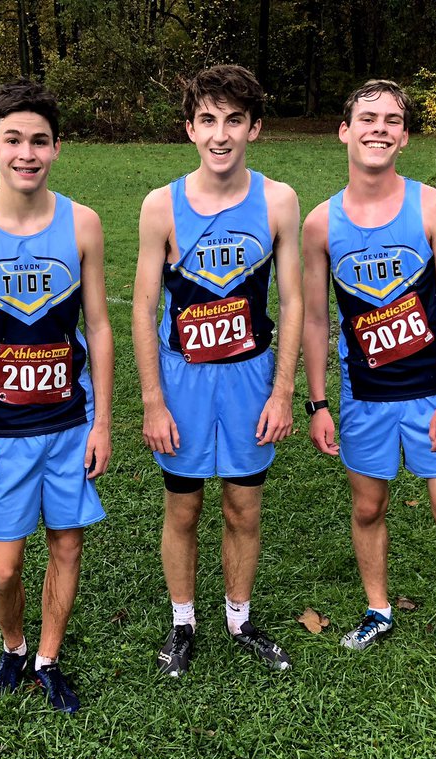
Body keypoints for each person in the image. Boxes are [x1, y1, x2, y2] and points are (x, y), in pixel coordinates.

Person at [301, 79, 436, 692]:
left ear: (405, 137)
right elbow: (313, 318)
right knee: (368, 506)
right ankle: (378, 609)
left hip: (431, 397)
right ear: (345, 130)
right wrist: (317, 402)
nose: (378, 128)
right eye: (367, 117)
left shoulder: (433, 207)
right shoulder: (319, 224)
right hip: (364, 401)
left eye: (392, 120)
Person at [0, 80, 114, 714]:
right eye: (13, 139)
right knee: (5, 567)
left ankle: (47, 657)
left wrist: (102, 424)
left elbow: (98, 325)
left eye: (39, 140)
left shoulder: (83, 223)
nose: (27, 153)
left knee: (67, 545)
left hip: (70, 424)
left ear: (57, 148)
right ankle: (12, 646)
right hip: (2, 430)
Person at [131, 64, 303, 678]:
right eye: (208, 120)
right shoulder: (161, 206)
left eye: (234, 120)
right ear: (190, 129)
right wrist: (153, 400)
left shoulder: (279, 200)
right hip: (183, 382)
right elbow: (145, 304)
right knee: (183, 509)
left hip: (250, 379)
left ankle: (239, 616)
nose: (221, 134)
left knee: (243, 508)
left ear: (254, 127)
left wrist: (284, 392)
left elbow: (294, 302)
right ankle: (183, 622)